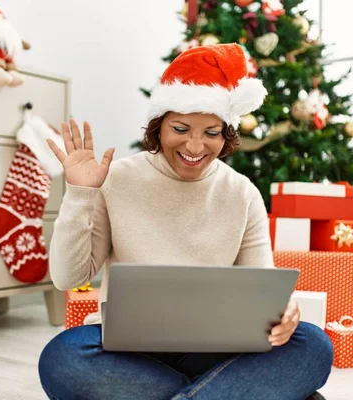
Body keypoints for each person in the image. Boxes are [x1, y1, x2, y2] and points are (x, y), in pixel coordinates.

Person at [38, 44, 333, 400]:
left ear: (226, 135)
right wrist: (80, 194)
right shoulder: (116, 179)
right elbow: (68, 277)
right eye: (180, 128)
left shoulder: (242, 192)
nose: (195, 145)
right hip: (131, 350)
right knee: (63, 359)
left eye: (211, 133)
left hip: (217, 349)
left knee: (312, 344)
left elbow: (262, 289)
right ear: (158, 127)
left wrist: (284, 313)